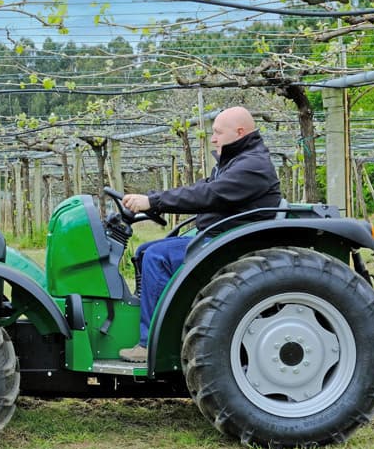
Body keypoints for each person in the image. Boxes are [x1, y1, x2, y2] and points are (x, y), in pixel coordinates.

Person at [118, 106, 281, 362]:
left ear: (239, 132)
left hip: (233, 244)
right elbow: (204, 187)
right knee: (145, 251)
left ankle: (151, 342)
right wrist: (155, 199)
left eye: (217, 133)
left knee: (157, 257)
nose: (212, 139)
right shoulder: (236, 161)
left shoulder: (252, 166)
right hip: (222, 234)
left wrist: (153, 201)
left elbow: (208, 195)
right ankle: (152, 317)